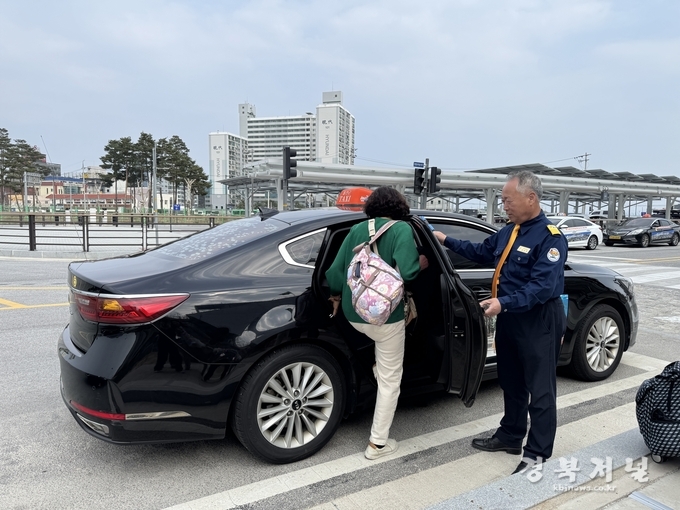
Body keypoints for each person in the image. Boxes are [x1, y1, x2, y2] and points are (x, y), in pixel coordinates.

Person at [433, 171, 567, 474]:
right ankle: (511, 436)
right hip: (510, 319)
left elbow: (542, 287)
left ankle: (536, 455)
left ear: (530, 198)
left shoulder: (550, 237)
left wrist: (503, 303)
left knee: (541, 390)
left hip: (538, 320)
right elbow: (481, 251)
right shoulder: (509, 232)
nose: (504, 205)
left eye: (508, 200)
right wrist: (445, 239)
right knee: (512, 381)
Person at [325, 186, 428, 460]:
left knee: (374, 344)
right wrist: (421, 263)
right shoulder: (401, 229)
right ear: (399, 207)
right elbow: (409, 273)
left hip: (353, 313)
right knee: (390, 379)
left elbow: (335, 272)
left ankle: (376, 365)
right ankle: (377, 444)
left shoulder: (356, 230)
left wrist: (336, 296)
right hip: (385, 317)